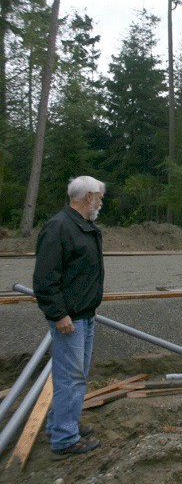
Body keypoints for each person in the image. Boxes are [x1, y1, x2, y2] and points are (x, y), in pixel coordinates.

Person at [33, 175, 106, 458]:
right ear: (87, 197)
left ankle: (59, 424)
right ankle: (65, 439)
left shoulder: (83, 226)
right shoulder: (59, 228)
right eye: (98, 197)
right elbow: (44, 278)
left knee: (76, 375)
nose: (101, 202)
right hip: (69, 319)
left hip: (84, 315)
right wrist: (59, 314)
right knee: (70, 378)